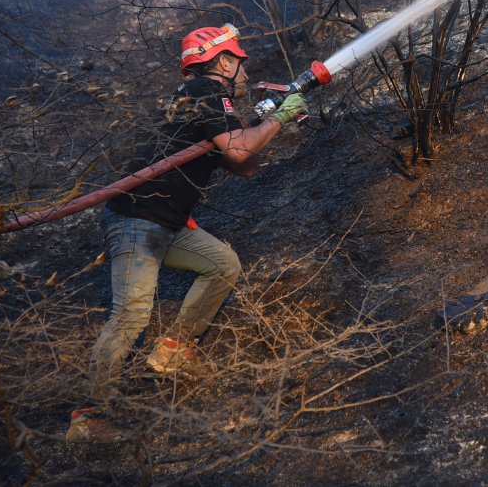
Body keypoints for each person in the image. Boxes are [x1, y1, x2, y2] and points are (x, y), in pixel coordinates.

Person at [67, 23, 308, 441]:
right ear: (223, 62)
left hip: (165, 221)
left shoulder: (202, 100)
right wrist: (280, 118)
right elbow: (239, 148)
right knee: (130, 314)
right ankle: (87, 416)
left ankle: (173, 351)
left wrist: (262, 122)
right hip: (138, 219)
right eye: (241, 62)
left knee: (222, 264)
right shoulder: (205, 91)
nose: (247, 73)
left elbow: (244, 164)